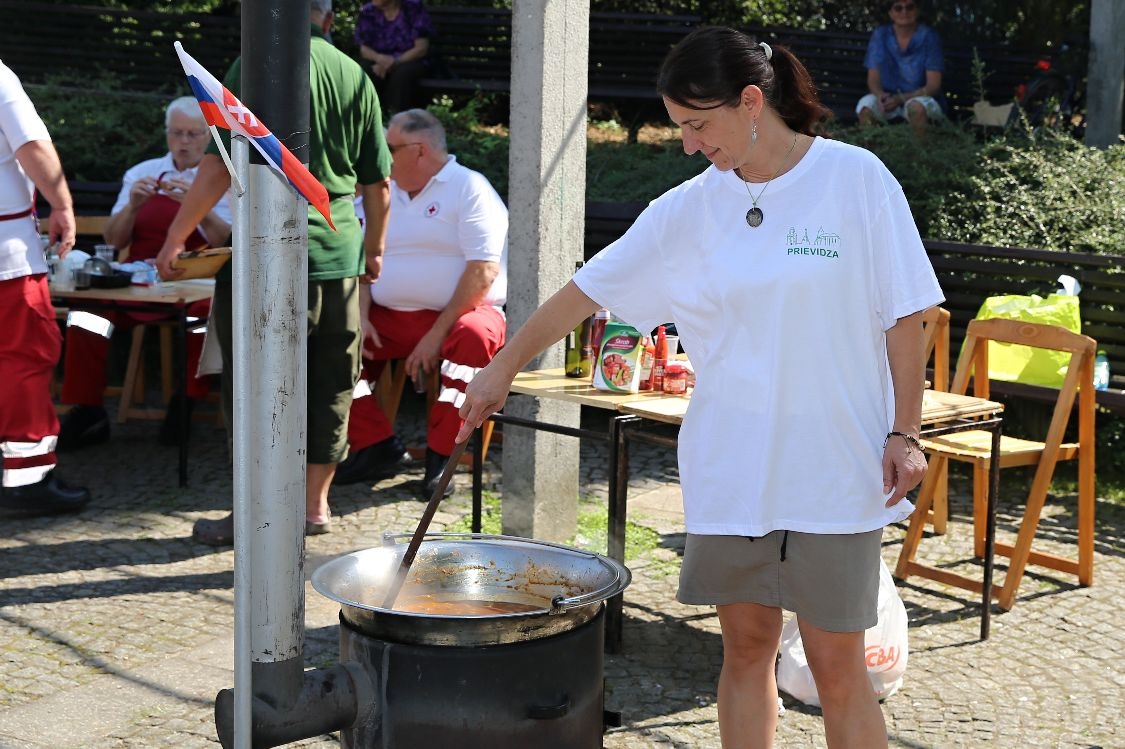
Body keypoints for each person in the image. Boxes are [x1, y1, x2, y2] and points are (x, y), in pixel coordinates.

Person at [455, 27, 942, 748]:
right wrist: (500, 369)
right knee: (745, 650)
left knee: (839, 668)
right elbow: (582, 293)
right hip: (732, 467)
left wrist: (905, 430)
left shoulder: (853, 179)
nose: (686, 144)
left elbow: (908, 314)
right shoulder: (686, 210)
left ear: (752, 102)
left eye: (696, 124)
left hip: (836, 467)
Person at [156, 0, 391, 545]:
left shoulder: (256, 60)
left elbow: (220, 162)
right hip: (338, 254)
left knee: (256, 386)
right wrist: (374, 249)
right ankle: (313, 507)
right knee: (333, 381)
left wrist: (176, 234)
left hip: (267, 253)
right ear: (328, 18)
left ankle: (255, 515)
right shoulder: (356, 75)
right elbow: (377, 183)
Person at [336, 108, 507, 497]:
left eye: (387, 148)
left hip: (463, 314)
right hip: (389, 316)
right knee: (332, 333)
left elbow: (483, 271)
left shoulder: (468, 187)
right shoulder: (381, 189)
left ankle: (442, 459)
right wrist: (360, 314)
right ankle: (374, 445)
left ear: (419, 150)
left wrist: (435, 335)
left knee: (474, 339)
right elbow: (360, 260)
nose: (378, 155)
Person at [57, 96, 232, 451]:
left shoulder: (221, 176)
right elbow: (113, 239)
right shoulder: (142, 172)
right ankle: (87, 409)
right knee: (88, 315)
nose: (183, 142)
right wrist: (134, 207)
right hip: (140, 281)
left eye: (193, 134)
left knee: (204, 316)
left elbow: (227, 242)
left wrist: (196, 209)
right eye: (176, 133)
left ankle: (185, 402)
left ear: (208, 136)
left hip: (195, 281)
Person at [0, 60, 91, 518]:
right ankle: (26, 479)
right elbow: (33, 145)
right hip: (6, 257)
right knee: (25, 358)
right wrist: (63, 204)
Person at [855, 1, 945, 133]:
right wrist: (880, 96)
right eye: (898, 8)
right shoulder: (880, 35)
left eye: (909, 7)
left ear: (917, 10)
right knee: (866, 107)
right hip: (887, 98)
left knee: (916, 108)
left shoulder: (929, 37)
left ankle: (919, 153)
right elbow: (873, 78)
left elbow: (933, 85)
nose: (904, 12)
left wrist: (900, 99)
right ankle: (871, 151)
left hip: (920, 98)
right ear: (891, 13)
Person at [354, 0, 435, 115]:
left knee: (402, 74)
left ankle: (397, 118)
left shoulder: (413, 7)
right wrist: (380, 59)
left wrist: (395, 61)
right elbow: (364, 49)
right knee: (365, 70)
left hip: (410, 59)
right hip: (378, 60)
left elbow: (421, 48)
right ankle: (365, 118)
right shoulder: (368, 11)